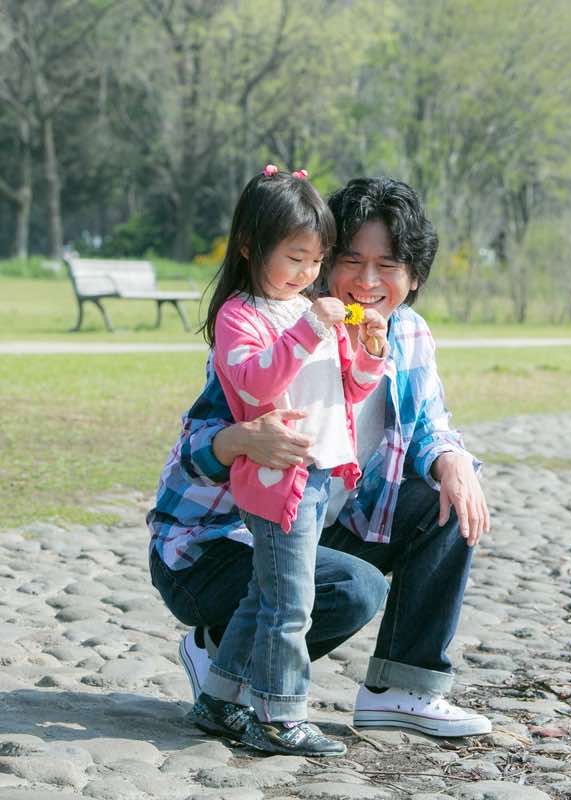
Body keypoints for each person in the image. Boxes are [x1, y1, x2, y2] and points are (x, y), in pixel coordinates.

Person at [148, 176, 493, 745]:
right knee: (350, 588)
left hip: (315, 515)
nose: (366, 281)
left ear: (415, 276)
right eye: (350, 260)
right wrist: (239, 441)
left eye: (387, 266)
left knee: (450, 501)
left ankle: (401, 691)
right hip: (222, 538)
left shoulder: (405, 332)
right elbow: (194, 451)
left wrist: (451, 458)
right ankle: (246, 684)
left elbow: (426, 422)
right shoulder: (275, 322)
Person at [186, 164, 390, 757]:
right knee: (289, 602)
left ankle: (220, 697)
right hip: (280, 479)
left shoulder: (310, 309)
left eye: (315, 261)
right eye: (295, 258)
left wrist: (369, 351)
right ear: (251, 245)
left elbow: (344, 391)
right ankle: (278, 714)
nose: (308, 273)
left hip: (322, 473)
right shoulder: (241, 316)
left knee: (265, 591)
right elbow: (251, 386)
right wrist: (306, 329)